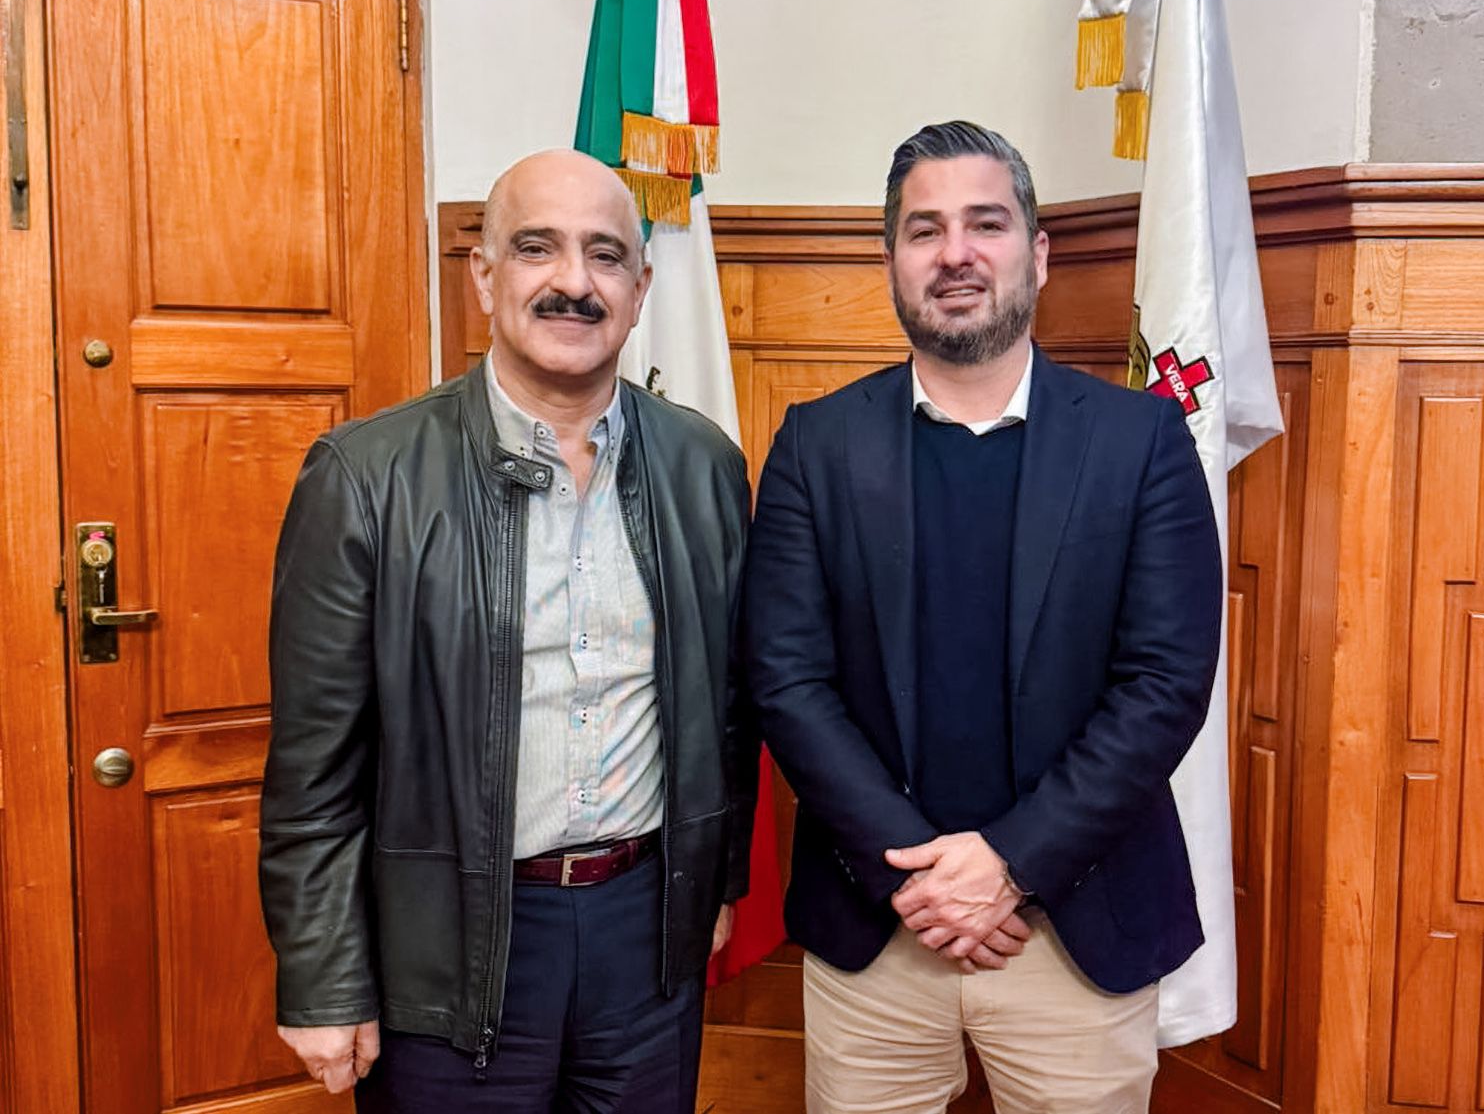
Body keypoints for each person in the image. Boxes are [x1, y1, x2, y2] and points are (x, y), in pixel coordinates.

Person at [260, 149, 756, 1113]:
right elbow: (314, 767)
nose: (575, 281)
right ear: (484, 277)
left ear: (642, 288)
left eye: (605, 254)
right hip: (446, 942)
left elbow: (727, 711)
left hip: (646, 934)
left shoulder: (704, 467)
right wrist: (323, 975)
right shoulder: (365, 478)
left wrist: (715, 881)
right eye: (537, 248)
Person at [743, 121, 1222, 1113]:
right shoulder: (814, 446)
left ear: (1037, 255)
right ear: (891, 261)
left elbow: (1164, 684)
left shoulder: (1142, 441)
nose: (954, 253)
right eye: (924, 230)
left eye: (985, 224)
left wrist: (1010, 865)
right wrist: (920, 880)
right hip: (879, 927)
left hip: (1076, 928)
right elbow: (786, 681)